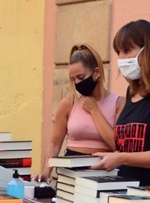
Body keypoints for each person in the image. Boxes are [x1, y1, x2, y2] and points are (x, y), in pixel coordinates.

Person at [90, 19, 150, 186]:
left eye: (127, 50)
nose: (121, 58)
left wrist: (122, 158)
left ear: (149, 51)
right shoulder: (132, 91)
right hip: (124, 187)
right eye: (118, 52)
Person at [35, 43, 124, 182]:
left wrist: (94, 111)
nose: (77, 83)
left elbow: (117, 145)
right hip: (71, 171)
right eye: (73, 79)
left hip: (103, 172)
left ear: (97, 73)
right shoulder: (68, 103)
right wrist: (46, 172)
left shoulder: (118, 103)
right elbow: (54, 143)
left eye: (81, 77)